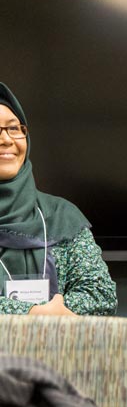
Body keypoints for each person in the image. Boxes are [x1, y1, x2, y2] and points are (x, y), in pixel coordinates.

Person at [0, 83, 116, 317]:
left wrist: (49, 316)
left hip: (55, 352)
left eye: (14, 128)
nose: (6, 139)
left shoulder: (61, 215)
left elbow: (101, 295)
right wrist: (32, 314)